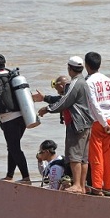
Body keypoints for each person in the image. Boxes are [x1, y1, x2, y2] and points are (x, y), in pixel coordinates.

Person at [37, 56, 95, 193]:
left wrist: (47, 109)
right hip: (86, 123)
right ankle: (81, 186)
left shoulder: (75, 83)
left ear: (70, 69)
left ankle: (77, 185)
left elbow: (65, 101)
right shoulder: (83, 82)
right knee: (83, 158)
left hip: (77, 124)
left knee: (75, 156)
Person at [0, 53, 31, 184]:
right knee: (12, 146)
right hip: (24, 117)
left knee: (14, 148)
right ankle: (9, 176)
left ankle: (26, 178)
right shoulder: (13, 76)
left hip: (9, 120)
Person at [84, 51, 110, 196]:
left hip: (97, 122)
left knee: (96, 156)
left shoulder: (89, 82)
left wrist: (103, 123)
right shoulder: (108, 80)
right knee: (107, 156)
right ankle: (108, 187)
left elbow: (94, 104)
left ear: (86, 65)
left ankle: (97, 186)